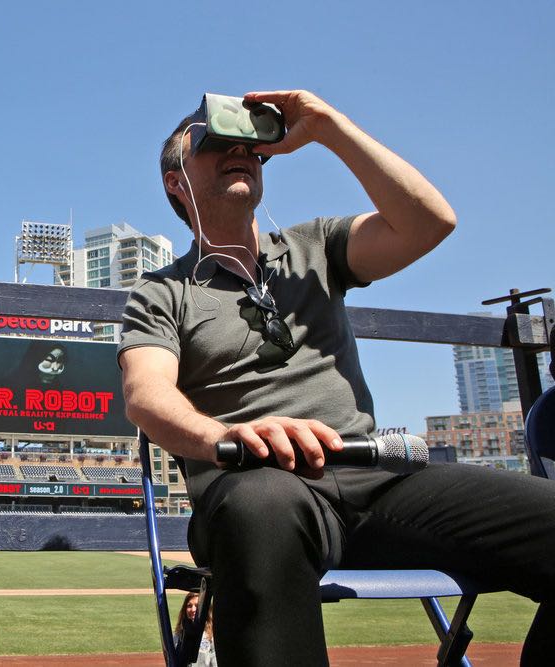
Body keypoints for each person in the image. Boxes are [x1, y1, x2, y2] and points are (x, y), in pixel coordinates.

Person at [118, 90, 555, 666]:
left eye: (251, 144)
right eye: (214, 141)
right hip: (258, 484)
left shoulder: (317, 247)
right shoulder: (161, 292)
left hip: (377, 476)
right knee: (259, 509)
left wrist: (329, 127)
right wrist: (227, 441)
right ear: (176, 182)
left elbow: (430, 222)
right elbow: (146, 396)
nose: (241, 151)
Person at [173, 591, 216, 667]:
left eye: (197, 606)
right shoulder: (178, 634)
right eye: (189, 606)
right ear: (185, 610)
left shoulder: (212, 634)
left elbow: (215, 662)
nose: (193, 609)